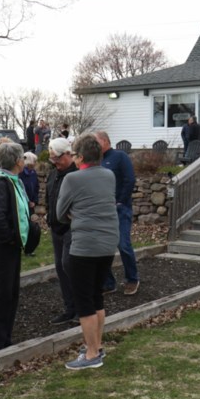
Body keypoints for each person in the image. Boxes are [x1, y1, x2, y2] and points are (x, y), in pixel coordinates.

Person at [57, 133, 120, 370]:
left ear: (81, 157)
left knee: (84, 301)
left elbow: (59, 212)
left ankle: (92, 355)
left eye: (74, 154)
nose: (72, 158)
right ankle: (96, 345)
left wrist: (76, 213)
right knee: (96, 296)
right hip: (107, 243)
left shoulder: (72, 179)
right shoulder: (109, 175)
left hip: (84, 246)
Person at [0, 142, 31, 354]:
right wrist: (10, 237)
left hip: (11, 245)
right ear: (18, 161)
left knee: (11, 293)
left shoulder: (12, 181)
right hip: (1, 246)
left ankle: (5, 339)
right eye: (23, 159)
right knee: (2, 295)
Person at [94, 131, 139, 295]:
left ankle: (132, 279)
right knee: (101, 247)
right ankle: (108, 282)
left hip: (120, 209)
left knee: (123, 244)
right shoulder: (97, 161)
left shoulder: (120, 156)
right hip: (102, 211)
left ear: (105, 141)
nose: (94, 146)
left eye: (96, 142)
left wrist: (120, 200)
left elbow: (129, 179)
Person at [46, 138, 78, 325]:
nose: (55, 163)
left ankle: (80, 308)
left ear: (68, 154)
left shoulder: (76, 175)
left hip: (72, 228)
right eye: (52, 159)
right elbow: (49, 196)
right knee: (60, 266)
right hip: (56, 228)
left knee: (70, 266)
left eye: (58, 158)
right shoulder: (53, 174)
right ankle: (70, 308)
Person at [18, 152, 40, 216]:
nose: (36, 163)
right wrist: (27, 201)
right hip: (22, 205)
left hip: (31, 205)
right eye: (34, 161)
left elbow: (36, 187)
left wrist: (34, 201)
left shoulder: (33, 173)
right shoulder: (20, 173)